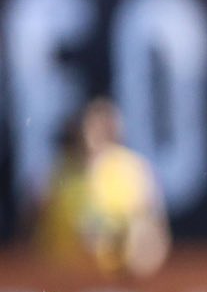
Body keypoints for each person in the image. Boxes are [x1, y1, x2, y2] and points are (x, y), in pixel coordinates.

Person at [32, 97, 169, 279]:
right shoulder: (54, 173)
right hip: (59, 284)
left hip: (115, 285)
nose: (93, 133)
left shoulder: (134, 173)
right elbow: (31, 233)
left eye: (101, 126)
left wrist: (124, 247)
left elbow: (155, 239)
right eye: (89, 125)